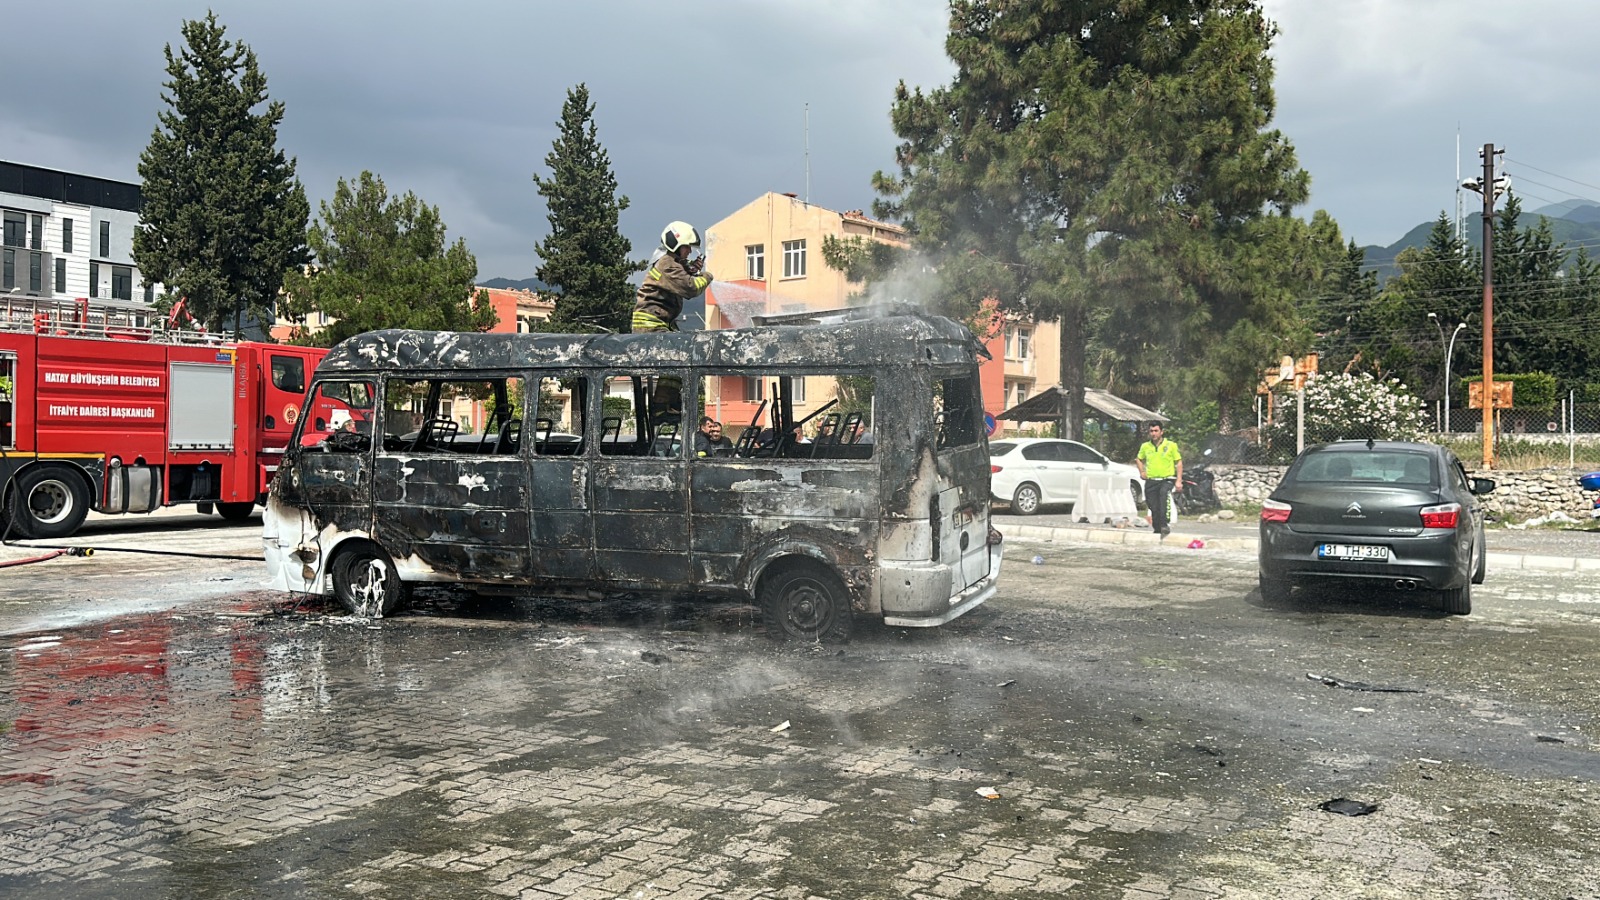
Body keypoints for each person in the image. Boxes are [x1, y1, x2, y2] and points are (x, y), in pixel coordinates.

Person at [631, 221, 713, 333]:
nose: (689, 251)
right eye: (686, 247)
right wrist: (707, 276)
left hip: (659, 321)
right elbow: (690, 288)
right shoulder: (667, 264)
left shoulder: (669, 261)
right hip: (651, 324)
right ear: (675, 244)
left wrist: (692, 270)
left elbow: (679, 272)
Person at [1136, 422, 1183, 536]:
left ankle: (1164, 525)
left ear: (1161, 432)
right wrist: (1142, 471)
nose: (1153, 433)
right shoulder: (1145, 446)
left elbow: (1179, 462)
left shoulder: (1171, 445)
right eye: (1151, 431)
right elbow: (1138, 459)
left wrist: (1178, 480)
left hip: (1166, 479)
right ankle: (1157, 527)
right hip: (1151, 480)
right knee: (1153, 505)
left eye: (1156, 431)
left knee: (1163, 498)